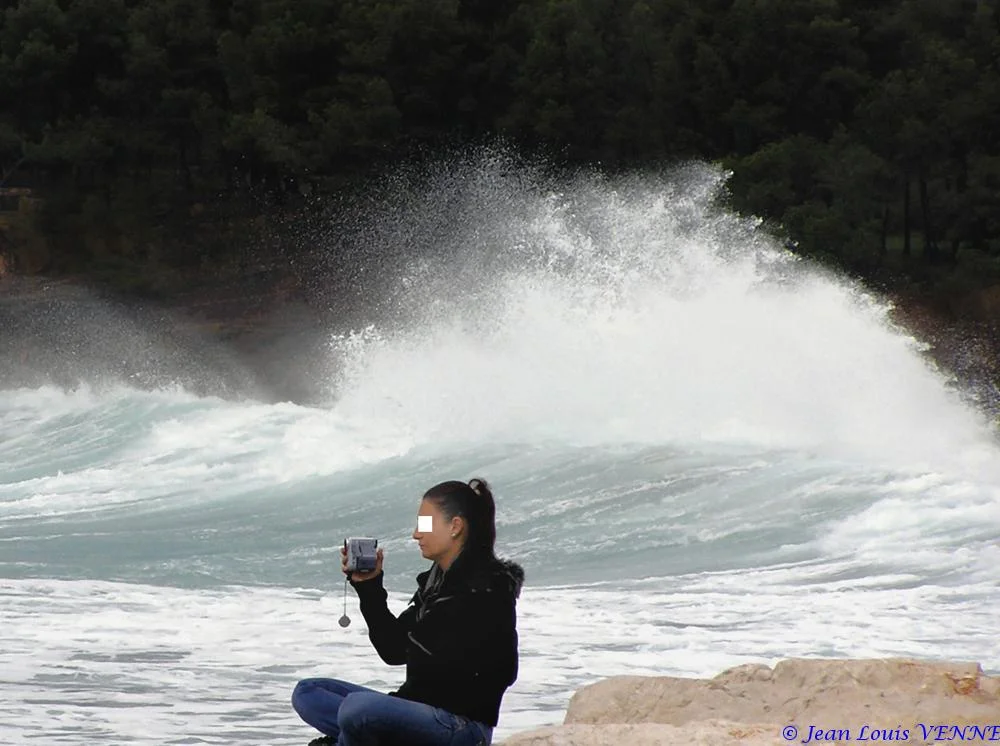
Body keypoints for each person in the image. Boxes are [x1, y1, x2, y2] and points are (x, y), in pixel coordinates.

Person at [292, 478, 524, 746]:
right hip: (420, 711)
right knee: (308, 693)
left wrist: (393, 708)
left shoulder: (486, 589)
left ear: (455, 526)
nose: (416, 534)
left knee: (358, 710)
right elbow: (393, 650)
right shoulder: (437, 584)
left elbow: (502, 670)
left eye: (424, 524)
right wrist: (369, 587)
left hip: (463, 727)